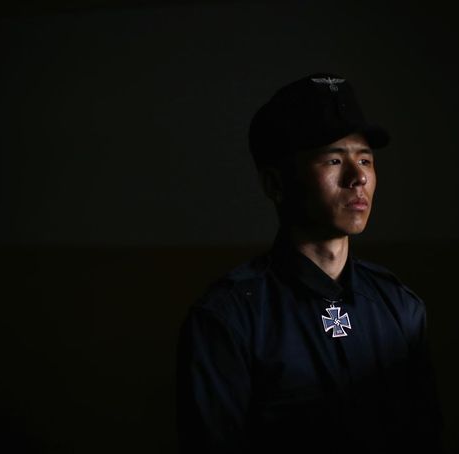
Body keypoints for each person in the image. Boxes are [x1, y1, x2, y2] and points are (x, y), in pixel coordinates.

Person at [176, 73, 442, 453]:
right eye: (335, 159)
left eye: (365, 159)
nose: (359, 177)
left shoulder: (400, 308)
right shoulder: (228, 319)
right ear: (275, 184)